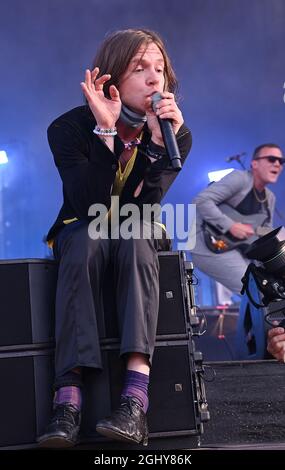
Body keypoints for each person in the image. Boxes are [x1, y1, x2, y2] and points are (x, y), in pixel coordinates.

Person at [38, 28, 192, 448]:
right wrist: (106, 134)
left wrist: (160, 149)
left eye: (160, 69)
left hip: (135, 228)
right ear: (112, 78)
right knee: (86, 238)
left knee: (139, 236)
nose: (154, 79)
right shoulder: (68, 128)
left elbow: (145, 209)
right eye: (140, 68)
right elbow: (88, 205)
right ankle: (67, 402)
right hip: (83, 223)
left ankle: (134, 401)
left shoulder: (176, 134)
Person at [191, 144, 283, 295]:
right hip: (211, 246)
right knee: (257, 291)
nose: (277, 164)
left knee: (273, 288)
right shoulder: (239, 178)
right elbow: (201, 200)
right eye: (272, 159)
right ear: (254, 163)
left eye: (281, 161)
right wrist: (230, 225)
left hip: (240, 250)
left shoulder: (270, 198)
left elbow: (266, 237)